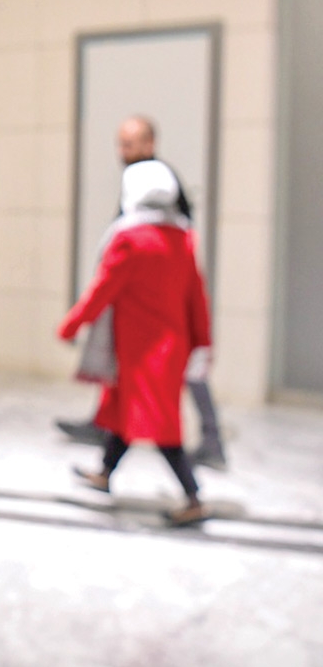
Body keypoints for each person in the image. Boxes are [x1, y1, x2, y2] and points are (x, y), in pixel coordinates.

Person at [56, 117, 227, 471]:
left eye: (130, 144)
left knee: (178, 388)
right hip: (143, 315)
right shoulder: (141, 202)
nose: (123, 151)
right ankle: (106, 439)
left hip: (160, 311)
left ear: (149, 144)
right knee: (126, 381)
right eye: (121, 144)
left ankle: (208, 445)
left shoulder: (157, 197)